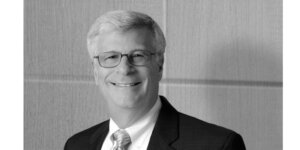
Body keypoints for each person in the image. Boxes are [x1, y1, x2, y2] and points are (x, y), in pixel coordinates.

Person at [64, 10, 246, 150]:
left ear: (159, 65)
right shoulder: (77, 145)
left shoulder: (217, 145)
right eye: (111, 57)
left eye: (138, 55)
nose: (125, 69)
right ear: (95, 71)